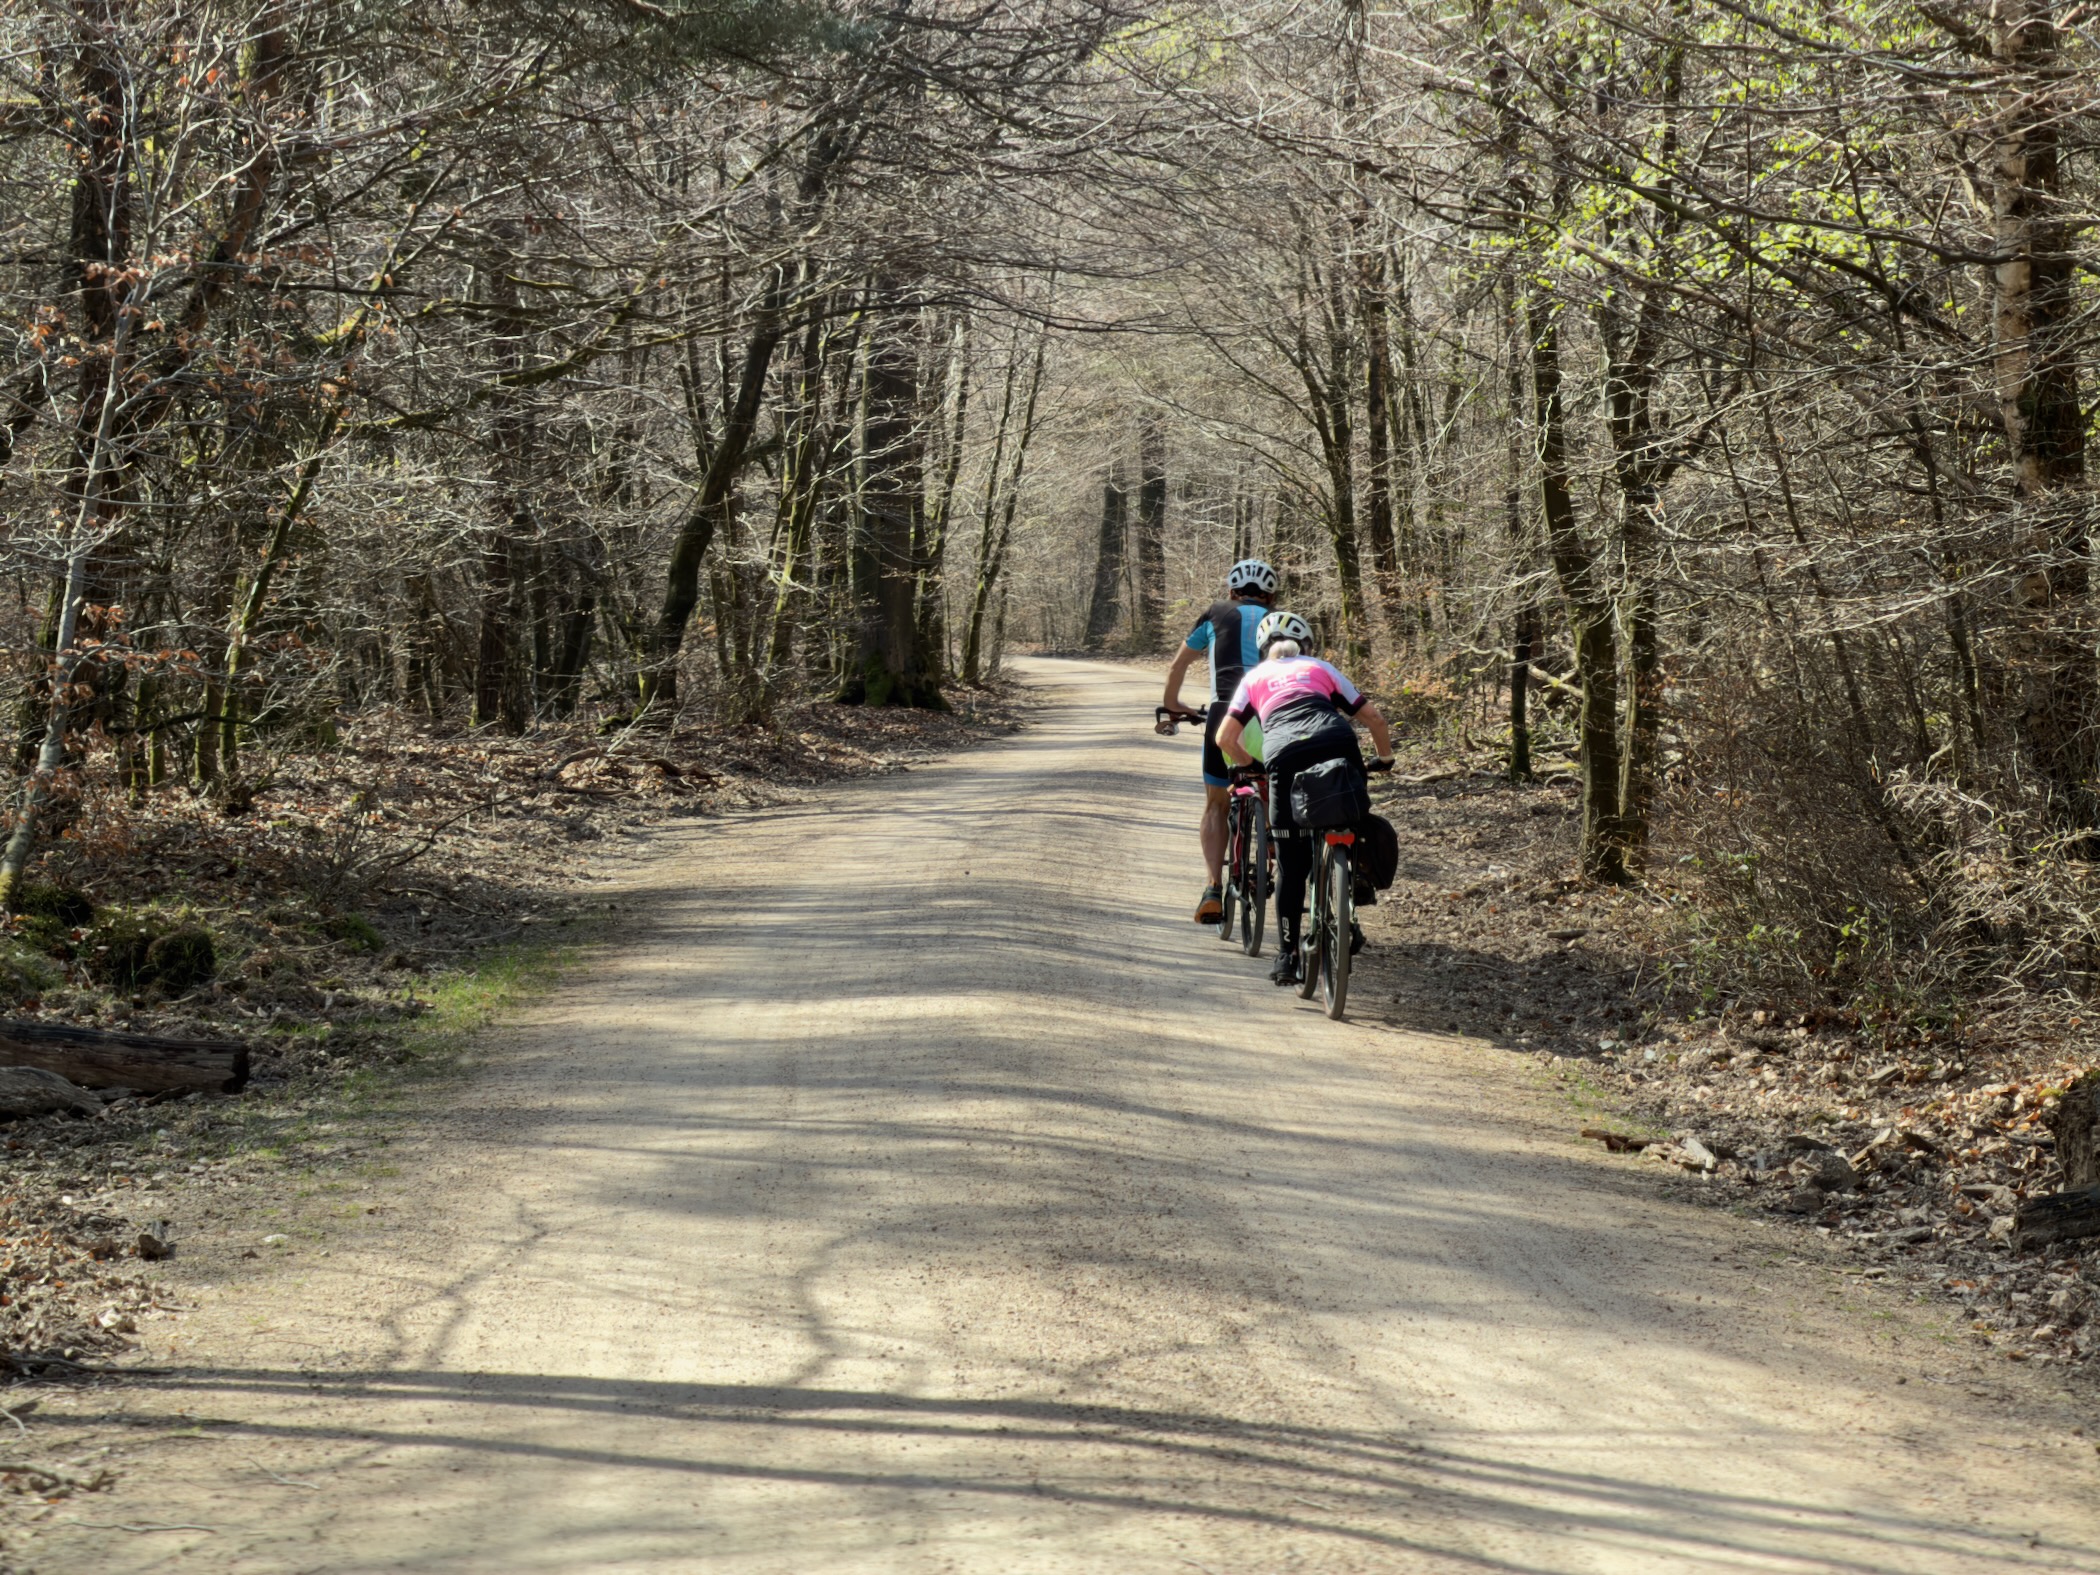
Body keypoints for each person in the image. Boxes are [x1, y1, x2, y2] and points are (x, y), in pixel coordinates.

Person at [1217, 610, 1393, 985]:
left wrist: (1254, 767)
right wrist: (1386, 758)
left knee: (1291, 866)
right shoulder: (1321, 668)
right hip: (1336, 741)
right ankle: (1355, 879)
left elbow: (1224, 740)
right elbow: (1374, 718)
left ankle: (1286, 955)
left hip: (1283, 753)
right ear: (1307, 646)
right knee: (1352, 813)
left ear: (1264, 651)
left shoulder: (1254, 677)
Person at [1158, 559, 1278, 923]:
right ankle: (1272, 852)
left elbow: (1178, 665)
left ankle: (1212, 886)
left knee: (1215, 805)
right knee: (1275, 792)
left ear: (1231, 592)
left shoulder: (1214, 613)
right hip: (1273, 712)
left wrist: (1173, 705)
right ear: (1270, 597)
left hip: (1225, 713)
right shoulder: (1282, 621)